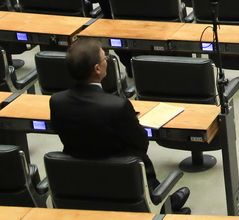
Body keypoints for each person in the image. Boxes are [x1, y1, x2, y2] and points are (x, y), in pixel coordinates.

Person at [50, 38, 192, 214]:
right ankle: (162, 204)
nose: (107, 60)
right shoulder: (117, 106)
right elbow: (141, 144)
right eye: (105, 58)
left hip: (81, 187)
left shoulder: (56, 101)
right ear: (97, 69)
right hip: (125, 185)